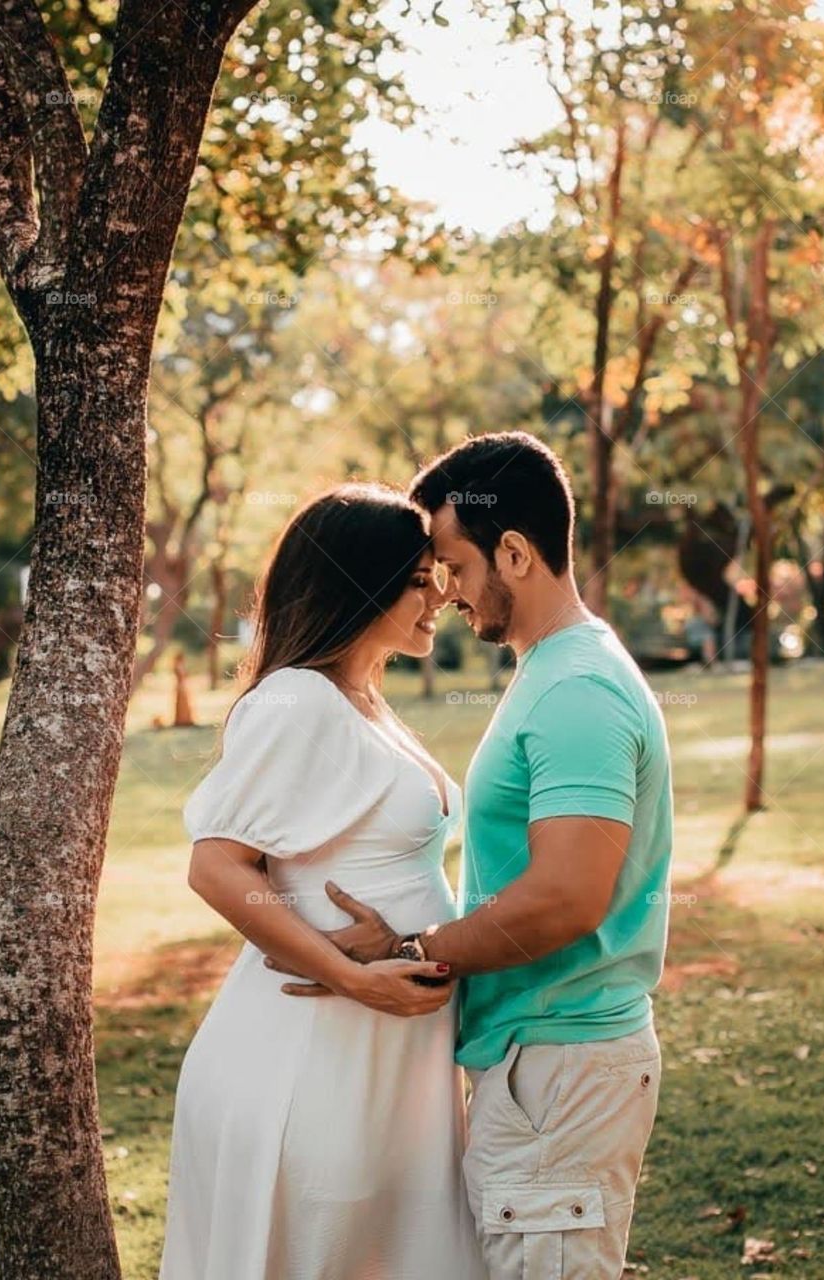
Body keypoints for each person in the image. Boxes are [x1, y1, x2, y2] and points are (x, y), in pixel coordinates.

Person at [275, 432, 676, 1280]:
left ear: (517, 553)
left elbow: (567, 897)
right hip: (540, 1061)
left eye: (453, 565)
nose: (444, 590)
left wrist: (414, 951)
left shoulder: (576, 691)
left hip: (561, 1066)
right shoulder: (554, 671)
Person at [159, 484, 486, 1280]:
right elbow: (216, 862)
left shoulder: (364, 700)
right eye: (416, 579)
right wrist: (348, 974)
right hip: (311, 1057)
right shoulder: (298, 699)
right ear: (357, 586)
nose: (438, 593)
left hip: (387, 1051)